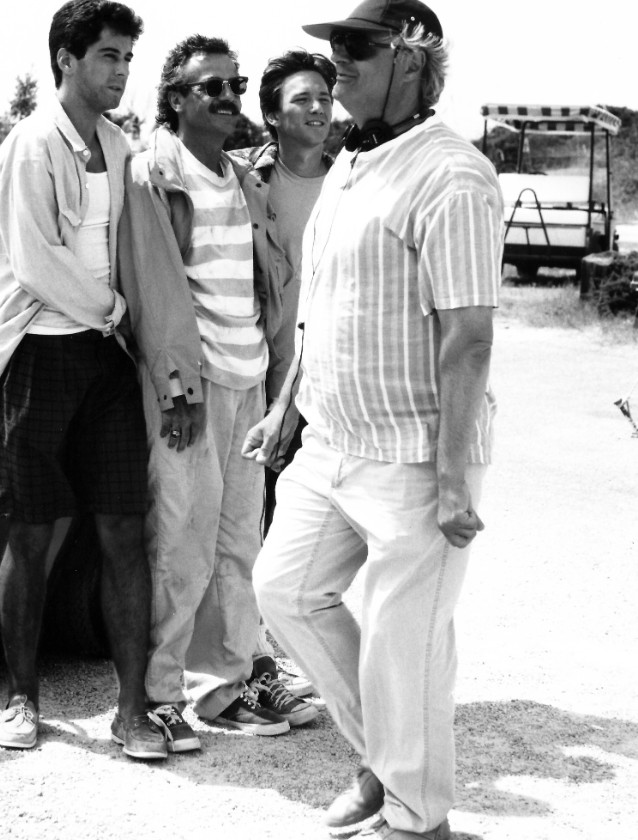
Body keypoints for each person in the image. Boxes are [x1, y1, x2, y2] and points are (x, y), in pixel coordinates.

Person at [244, 1, 504, 837]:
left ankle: (417, 820)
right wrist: (287, 408)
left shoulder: (452, 174)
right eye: (336, 48)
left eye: (357, 46)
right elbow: (322, 303)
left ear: (412, 59)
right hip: (332, 441)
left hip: (414, 453)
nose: (339, 64)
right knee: (285, 591)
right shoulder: (353, 160)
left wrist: (454, 480)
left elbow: (468, 335)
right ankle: (386, 764)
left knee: (404, 643)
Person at [0, 0, 167, 761]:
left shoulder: (118, 143)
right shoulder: (30, 145)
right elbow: (37, 262)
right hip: (35, 352)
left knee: (124, 530)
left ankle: (132, 711)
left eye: (127, 58)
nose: (121, 71)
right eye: (109, 55)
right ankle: (21, 699)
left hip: (107, 359)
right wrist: (117, 311)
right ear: (67, 59)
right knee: (29, 530)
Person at [119, 34, 316, 751]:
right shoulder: (153, 173)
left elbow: (271, 288)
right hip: (189, 390)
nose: (230, 97)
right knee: (180, 546)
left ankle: (225, 687)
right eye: (212, 87)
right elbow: (151, 286)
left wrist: (279, 388)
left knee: (239, 545)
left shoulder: (242, 178)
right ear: (175, 99)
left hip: (248, 382)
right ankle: (158, 695)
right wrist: (177, 386)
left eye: (235, 85)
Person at [230, 49, 336, 698]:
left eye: (325, 95)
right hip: (259, 373)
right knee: (256, 522)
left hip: (329, 380)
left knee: (316, 530)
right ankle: (259, 659)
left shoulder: (355, 177)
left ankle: (299, 655)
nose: (319, 107)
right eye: (303, 98)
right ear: (272, 114)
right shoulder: (243, 178)